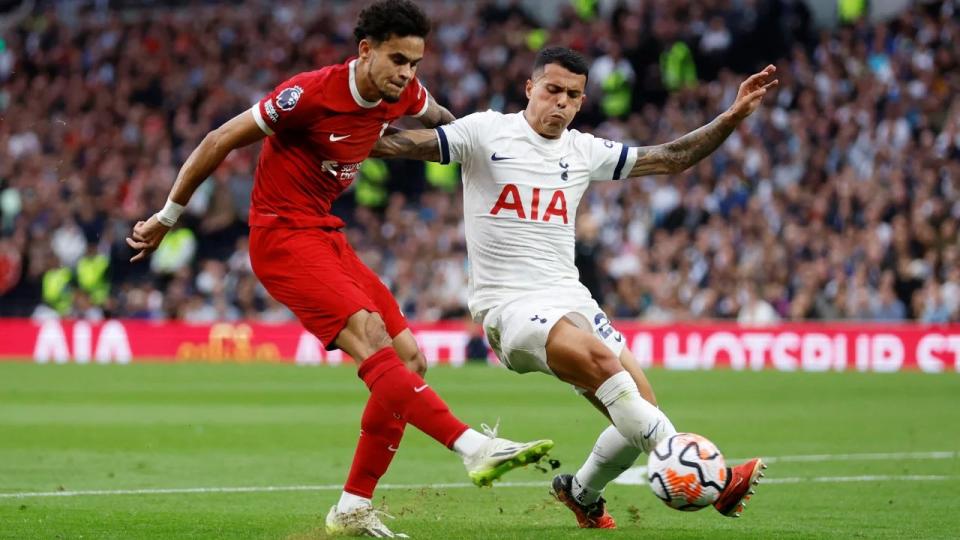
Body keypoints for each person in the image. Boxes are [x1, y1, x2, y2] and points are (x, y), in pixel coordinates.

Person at [125, 2, 553, 537]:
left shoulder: (405, 92)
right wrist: (167, 217)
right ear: (365, 50)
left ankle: (352, 506)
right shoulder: (307, 94)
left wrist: (507, 143)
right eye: (398, 58)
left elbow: (446, 120)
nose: (407, 73)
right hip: (281, 236)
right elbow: (219, 140)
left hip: (325, 234)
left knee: (410, 360)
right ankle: (473, 447)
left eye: (416, 62)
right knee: (371, 337)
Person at [371, 46, 777, 528]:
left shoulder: (583, 150)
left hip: (571, 298)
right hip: (511, 308)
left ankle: (582, 492)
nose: (561, 103)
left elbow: (670, 158)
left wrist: (731, 116)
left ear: (582, 101)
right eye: (552, 90)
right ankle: (715, 478)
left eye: (573, 95)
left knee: (638, 410)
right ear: (530, 88)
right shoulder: (486, 132)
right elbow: (401, 145)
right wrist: (337, 126)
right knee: (610, 373)